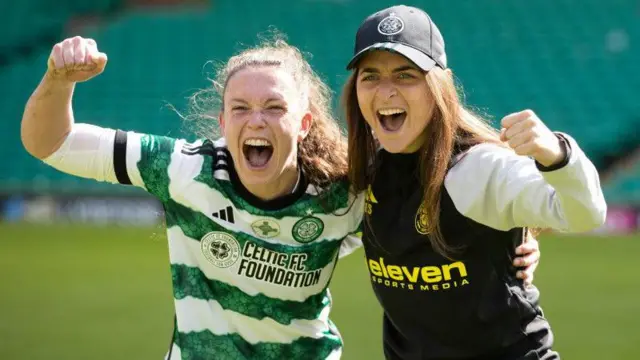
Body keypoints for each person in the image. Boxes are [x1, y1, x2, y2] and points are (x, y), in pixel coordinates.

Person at [21, 34, 540, 359]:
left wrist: (520, 239)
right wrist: (57, 80)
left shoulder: (343, 193)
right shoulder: (183, 169)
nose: (257, 121)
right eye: (241, 108)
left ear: (305, 121)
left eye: (274, 106)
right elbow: (50, 142)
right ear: (223, 121)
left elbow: (457, 192)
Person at [342, 5, 607, 360]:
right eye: (370, 76)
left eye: (405, 75)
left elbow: (585, 214)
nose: (385, 91)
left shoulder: (478, 168)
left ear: (440, 84)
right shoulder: (364, 169)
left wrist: (558, 155)